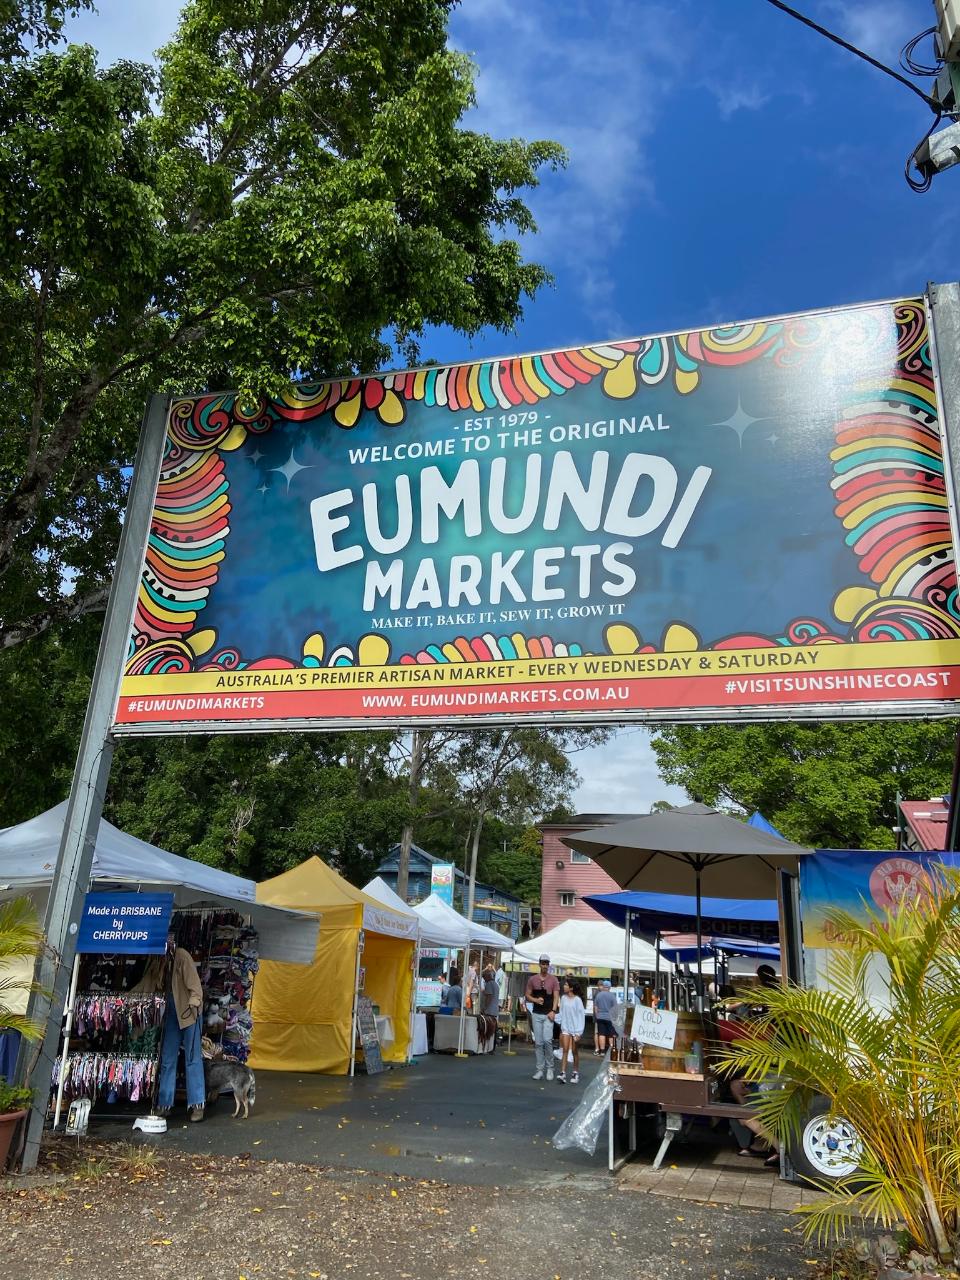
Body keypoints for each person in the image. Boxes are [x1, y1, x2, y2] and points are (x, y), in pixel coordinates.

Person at [149, 933, 206, 1121]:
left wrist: (194, 1004)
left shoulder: (182, 956)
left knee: (192, 1058)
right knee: (167, 1059)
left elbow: (195, 986)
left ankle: (197, 1105)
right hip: (172, 1014)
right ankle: (164, 1104)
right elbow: (156, 984)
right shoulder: (162, 960)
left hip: (189, 1013)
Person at [525, 955, 560, 1081]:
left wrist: (553, 1011)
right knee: (538, 1043)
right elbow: (527, 995)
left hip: (548, 1014)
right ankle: (540, 1069)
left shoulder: (554, 980)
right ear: (539, 964)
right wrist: (535, 999)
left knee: (547, 1040)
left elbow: (556, 996)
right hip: (537, 1013)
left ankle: (550, 1067)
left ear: (549, 965)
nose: (545, 965)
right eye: (543, 963)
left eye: (547, 963)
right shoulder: (532, 979)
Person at [557, 978, 585, 1084]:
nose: (564, 986)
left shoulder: (577, 1000)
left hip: (576, 1029)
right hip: (566, 1028)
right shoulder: (563, 998)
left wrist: (579, 1032)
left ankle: (575, 1072)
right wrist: (554, 1018)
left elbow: (581, 1016)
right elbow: (561, 1013)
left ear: (571, 988)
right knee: (564, 1050)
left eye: (566, 985)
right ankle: (562, 1073)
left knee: (574, 1051)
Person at [592, 979, 618, 1056]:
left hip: (600, 1017)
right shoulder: (612, 996)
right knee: (611, 1034)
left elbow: (595, 1007)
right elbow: (615, 1008)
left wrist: (597, 1015)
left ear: (603, 986)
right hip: (610, 1018)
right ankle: (610, 1051)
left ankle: (602, 1051)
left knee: (601, 1034)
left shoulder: (598, 995)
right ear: (609, 987)